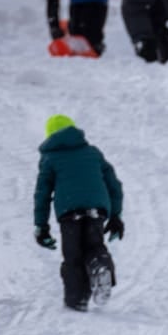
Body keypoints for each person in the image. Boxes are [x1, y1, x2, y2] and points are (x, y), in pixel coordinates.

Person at [33, 114, 124, 311]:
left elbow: (42, 194)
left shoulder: (50, 158)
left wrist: (41, 226)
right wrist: (116, 215)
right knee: (94, 246)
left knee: (73, 257)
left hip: (69, 211)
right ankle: (101, 266)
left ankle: (76, 302)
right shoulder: (92, 153)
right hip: (96, 210)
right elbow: (114, 185)